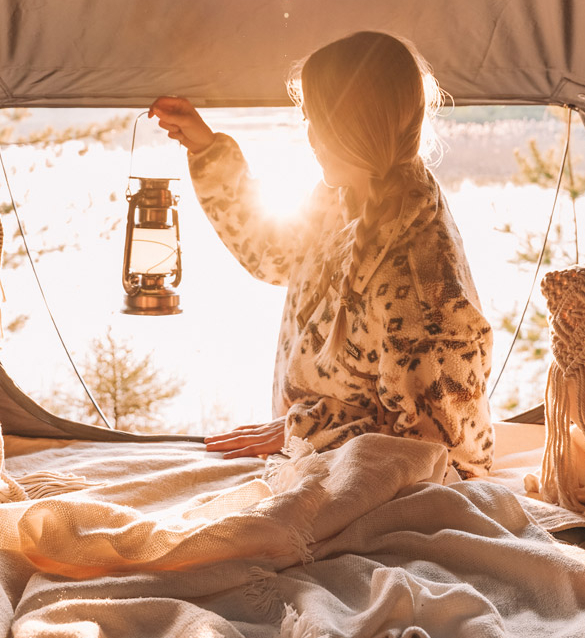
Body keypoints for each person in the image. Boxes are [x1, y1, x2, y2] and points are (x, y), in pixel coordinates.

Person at [149, 31, 494, 478]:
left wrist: (304, 428)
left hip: (367, 493)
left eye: (316, 119)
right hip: (318, 467)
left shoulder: (422, 279)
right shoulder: (345, 194)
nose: (308, 135)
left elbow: (437, 453)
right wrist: (206, 149)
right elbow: (273, 253)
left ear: (353, 125)